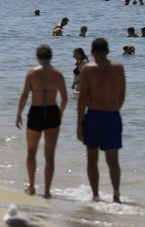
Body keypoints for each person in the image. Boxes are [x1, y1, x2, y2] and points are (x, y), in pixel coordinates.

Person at [15, 45, 68, 198]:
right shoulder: (58, 74)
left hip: (36, 112)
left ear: (38, 57)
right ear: (51, 57)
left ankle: (31, 186)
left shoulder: (32, 73)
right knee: (49, 155)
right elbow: (64, 98)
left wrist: (19, 113)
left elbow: (25, 95)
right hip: (52, 112)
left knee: (31, 151)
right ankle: (47, 191)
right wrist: (60, 113)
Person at [77, 38, 126, 203]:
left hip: (94, 115)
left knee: (92, 158)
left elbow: (83, 96)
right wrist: (114, 109)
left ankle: (96, 195)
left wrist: (79, 122)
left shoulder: (88, 69)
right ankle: (116, 194)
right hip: (113, 115)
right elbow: (122, 94)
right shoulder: (118, 68)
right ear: (108, 51)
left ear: (92, 52)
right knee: (113, 160)